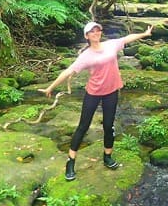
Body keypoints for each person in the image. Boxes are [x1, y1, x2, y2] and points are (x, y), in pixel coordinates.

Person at [39, 21, 153, 181]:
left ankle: (107, 156)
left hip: (111, 91)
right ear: (87, 36)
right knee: (83, 126)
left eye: (98, 30)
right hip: (93, 92)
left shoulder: (111, 45)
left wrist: (144, 34)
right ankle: (70, 161)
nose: (96, 33)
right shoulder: (86, 56)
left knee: (108, 125)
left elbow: (127, 39)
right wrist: (50, 87)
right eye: (92, 31)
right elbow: (68, 71)